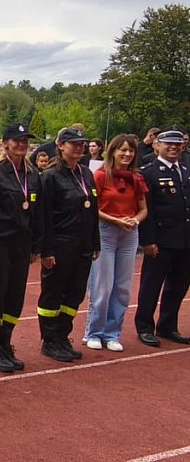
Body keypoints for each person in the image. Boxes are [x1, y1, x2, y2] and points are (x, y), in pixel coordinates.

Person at [0, 124, 43, 372]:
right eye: (16, 141)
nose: (21, 145)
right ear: (6, 143)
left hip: (22, 244)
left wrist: (36, 245)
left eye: (25, 141)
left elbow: (37, 213)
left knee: (15, 296)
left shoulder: (32, 173)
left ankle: (6, 343)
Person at [37, 128, 100, 362]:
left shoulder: (86, 173)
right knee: (53, 294)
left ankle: (63, 336)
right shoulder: (50, 176)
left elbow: (93, 210)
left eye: (81, 144)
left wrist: (95, 242)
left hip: (83, 245)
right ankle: (50, 340)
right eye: (73, 143)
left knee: (75, 294)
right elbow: (44, 216)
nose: (78, 147)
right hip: (61, 244)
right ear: (61, 146)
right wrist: (47, 250)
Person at [84, 134, 147, 351]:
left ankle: (112, 333)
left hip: (129, 234)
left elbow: (143, 208)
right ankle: (94, 331)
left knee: (122, 288)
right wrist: (116, 220)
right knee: (102, 286)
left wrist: (134, 220)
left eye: (131, 151)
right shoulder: (101, 176)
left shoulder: (136, 178)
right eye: (123, 150)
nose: (127, 154)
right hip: (106, 232)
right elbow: (94, 208)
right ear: (112, 151)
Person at [134, 129, 190, 347]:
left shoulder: (186, 169)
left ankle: (167, 325)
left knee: (178, 285)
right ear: (157, 145)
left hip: (184, 240)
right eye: (168, 144)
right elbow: (148, 211)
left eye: (177, 145)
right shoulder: (148, 172)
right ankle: (145, 326)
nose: (174, 148)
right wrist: (147, 241)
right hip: (160, 240)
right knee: (151, 285)